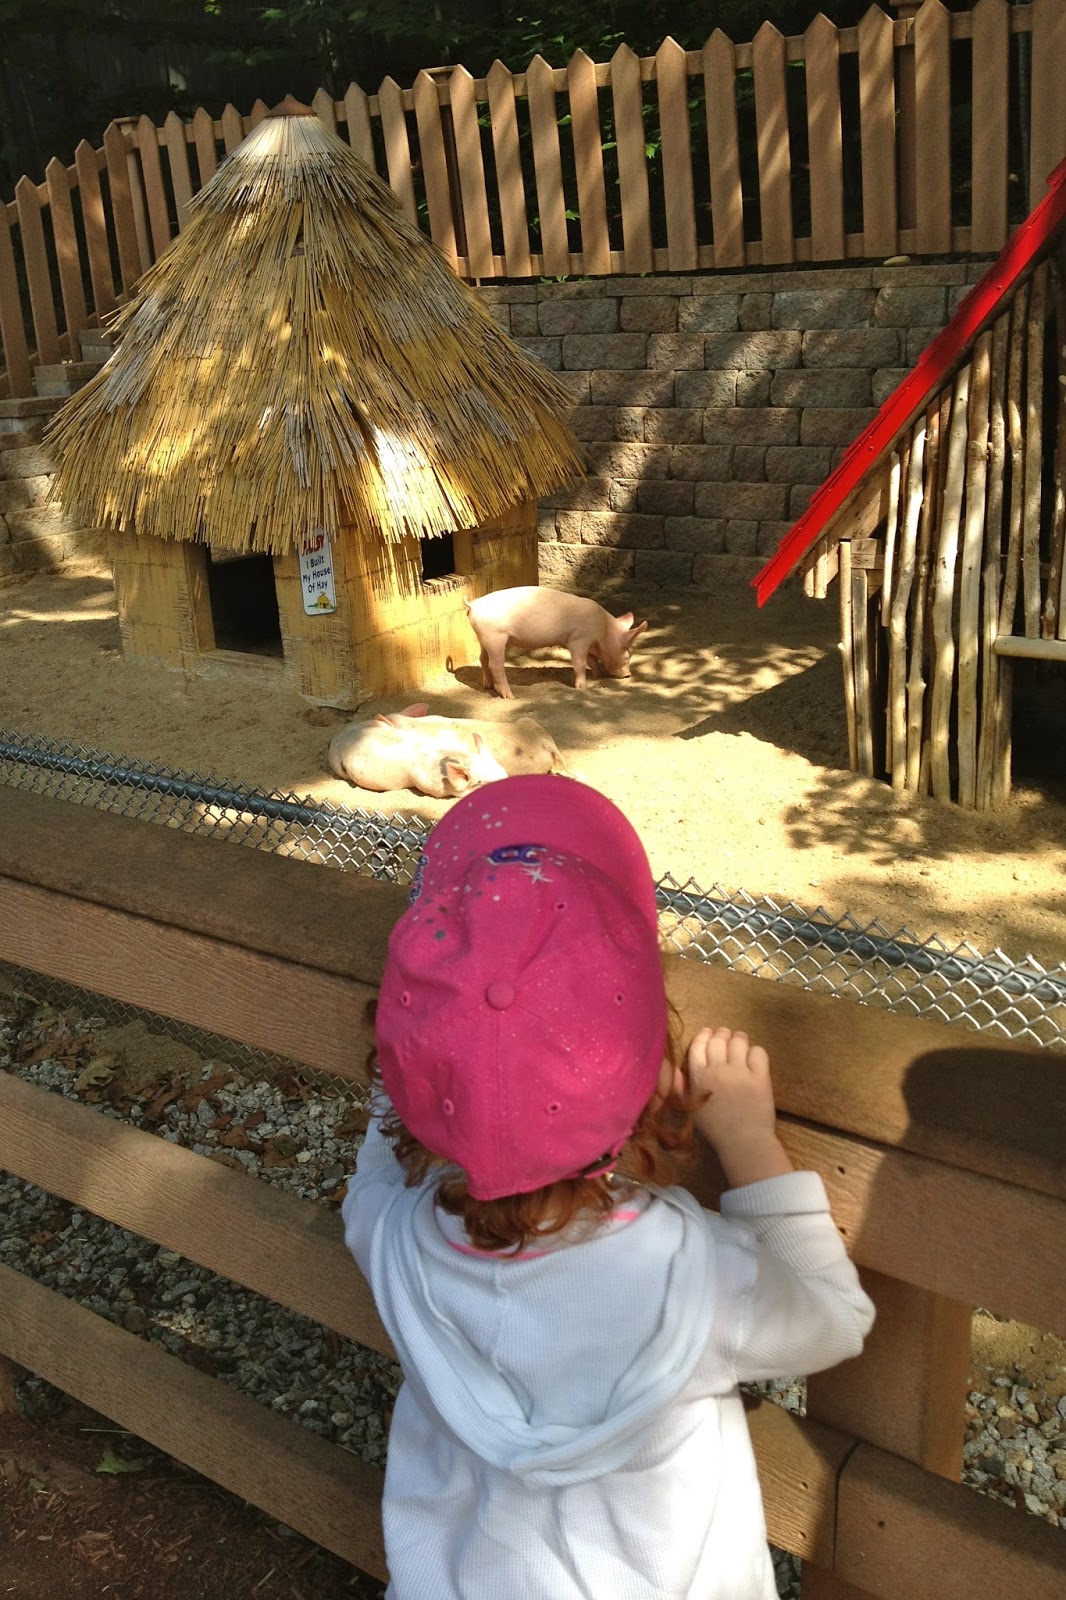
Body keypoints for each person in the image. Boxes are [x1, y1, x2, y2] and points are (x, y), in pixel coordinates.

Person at [343, 775, 875, 1600]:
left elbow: (375, 1172)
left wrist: (426, 1064)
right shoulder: (694, 1276)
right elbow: (835, 1320)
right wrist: (749, 1144)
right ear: (654, 1075)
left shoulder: (392, 1239)